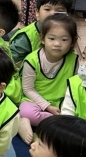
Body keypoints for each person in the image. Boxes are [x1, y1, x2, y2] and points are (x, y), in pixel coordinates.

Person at [18, 14, 79, 144]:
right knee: (26, 112)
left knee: (76, 117)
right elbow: (28, 89)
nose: (57, 44)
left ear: (73, 42)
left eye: (64, 40)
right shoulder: (32, 60)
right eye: (51, 38)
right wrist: (48, 107)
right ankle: (25, 122)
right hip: (34, 101)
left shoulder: (74, 61)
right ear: (42, 38)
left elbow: (75, 87)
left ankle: (49, 126)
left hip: (61, 102)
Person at [9, 0, 71, 66]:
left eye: (59, 11)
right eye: (47, 9)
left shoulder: (69, 32)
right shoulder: (25, 37)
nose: (52, 14)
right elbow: (13, 62)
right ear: (37, 13)